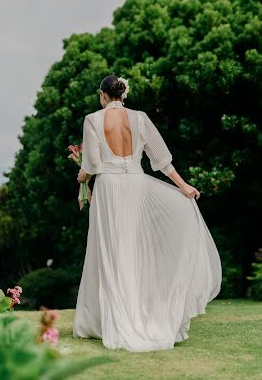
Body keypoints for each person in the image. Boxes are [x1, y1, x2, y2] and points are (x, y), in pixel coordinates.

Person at [72, 74, 222, 351]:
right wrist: (184, 186)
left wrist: (82, 176)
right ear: (123, 95)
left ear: (103, 95)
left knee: (110, 252)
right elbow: (161, 159)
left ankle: (111, 321)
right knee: (134, 250)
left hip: (109, 189)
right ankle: (135, 314)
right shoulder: (140, 118)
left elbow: (92, 163)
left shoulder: (93, 120)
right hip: (136, 186)